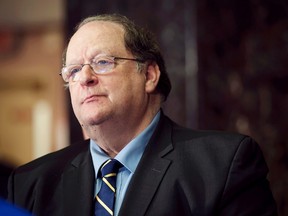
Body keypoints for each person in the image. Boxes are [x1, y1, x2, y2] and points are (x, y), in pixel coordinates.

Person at [7, 13, 277, 216]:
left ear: (149, 75)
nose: (85, 78)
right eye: (73, 70)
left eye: (102, 62)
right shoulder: (32, 182)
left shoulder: (223, 164)